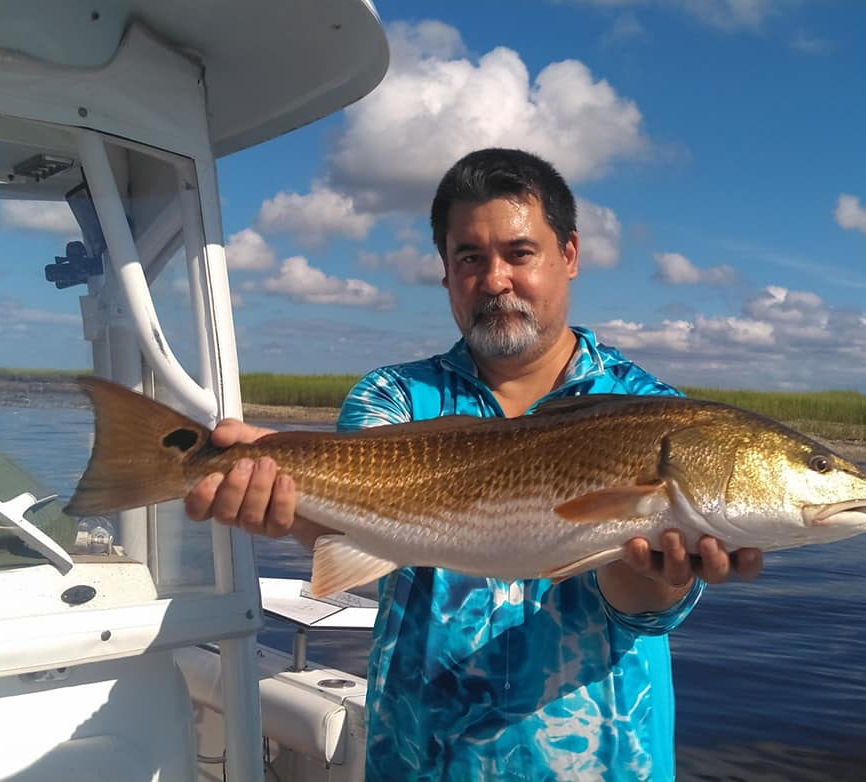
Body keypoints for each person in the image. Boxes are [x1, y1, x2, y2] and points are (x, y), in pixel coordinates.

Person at [186, 148, 763, 781]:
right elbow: (355, 532)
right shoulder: (394, 398)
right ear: (445, 271)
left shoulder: (653, 412)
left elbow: (643, 610)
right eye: (470, 258)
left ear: (569, 254)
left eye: (520, 253)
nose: (494, 280)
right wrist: (278, 497)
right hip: (422, 761)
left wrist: (656, 572)